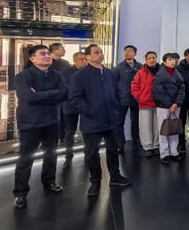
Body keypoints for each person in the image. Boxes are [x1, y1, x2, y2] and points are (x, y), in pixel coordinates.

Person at [70, 44, 132, 197]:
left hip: (111, 119)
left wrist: (116, 108)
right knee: (92, 153)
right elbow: (75, 98)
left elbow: (116, 92)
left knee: (113, 149)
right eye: (96, 52)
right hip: (92, 121)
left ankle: (115, 177)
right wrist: (90, 111)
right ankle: (95, 181)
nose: (100, 54)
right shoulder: (80, 76)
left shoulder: (110, 73)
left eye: (101, 52)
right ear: (88, 57)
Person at [12, 45, 68, 209]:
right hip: (31, 123)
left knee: (51, 155)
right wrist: (53, 93)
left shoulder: (57, 75)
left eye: (48, 53)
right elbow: (28, 97)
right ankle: (21, 192)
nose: (47, 56)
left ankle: (49, 182)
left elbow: (64, 93)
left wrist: (40, 95)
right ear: (32, 58)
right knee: (26, 158)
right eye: (42, 54)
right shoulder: (23, 76)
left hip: (52, 121)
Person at [153, 53, 185, 164]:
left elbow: (182, 89)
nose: (173, 62)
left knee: (174, 129)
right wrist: (170, 104)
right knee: (163, 130)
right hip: (163, 106)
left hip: (176, 106)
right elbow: (159, 92)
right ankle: (164, 153)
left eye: (174, 60)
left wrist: (176, 103)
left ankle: (173, 151)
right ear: (164, 61)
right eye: (170, 60)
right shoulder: (160, 74)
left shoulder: (178, 73)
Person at [61, 51, 88, 169]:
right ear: (74, 61)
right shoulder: (65, 73)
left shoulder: (89, 72)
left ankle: (88, 154)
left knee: (87, 131)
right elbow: (64, 89)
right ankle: (68, 157)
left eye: (86, 59)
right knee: (69, 132)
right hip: (70, 106)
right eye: (81, 60)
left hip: (86, 106)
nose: (84, 62)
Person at [113, 45, 142, 153]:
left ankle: (136, 142)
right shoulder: (118, 67)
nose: (127, 53)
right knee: (119, 123)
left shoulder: (140, 67)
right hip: (121, 99)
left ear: (134, 54)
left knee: (136, 122)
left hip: (136, 99)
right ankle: (120, 144)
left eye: (130, 51)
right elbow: (113, 84)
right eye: (125, 51)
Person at [131, 52, 160, 157]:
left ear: (156, 58)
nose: (151, 60)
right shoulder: (141, 72)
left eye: (153, 57)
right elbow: (134, 87)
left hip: (159, 103)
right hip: (145, 103)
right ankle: (148, 147)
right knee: (145, 126)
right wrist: (139, 97)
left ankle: (156, 146)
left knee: (157, 126)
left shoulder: (161, 71)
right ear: (146, 60)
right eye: (149, 58)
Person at [49, 42, 70, 144]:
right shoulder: (47, 62)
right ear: (55, 50)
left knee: (64, 118)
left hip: (63, 95)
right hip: (50, 96)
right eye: (62, 49)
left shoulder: (65, 63)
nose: (64, 50)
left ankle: (63, 138)